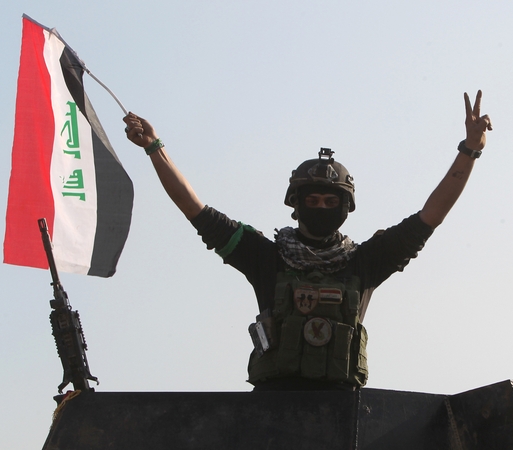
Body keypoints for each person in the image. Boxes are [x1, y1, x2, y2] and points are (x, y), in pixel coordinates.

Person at [123, 91, 492, 391]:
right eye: (312, 201)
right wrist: (154, 147)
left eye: (331, 201)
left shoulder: (365, 262)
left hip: (344, 412)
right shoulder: (264, 257)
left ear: (345, 208)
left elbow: (431, 215)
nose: (321, 207)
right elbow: (195, 208)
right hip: (272, 407)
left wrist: (470, 149)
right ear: (296, 207)